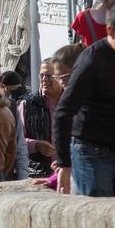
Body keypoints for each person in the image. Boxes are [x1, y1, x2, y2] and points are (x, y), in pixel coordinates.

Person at [53, 2, 115, 197]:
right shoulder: (92, 59)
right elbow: (64, 111)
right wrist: (64, 164)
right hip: (91, 151)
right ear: (111, 30)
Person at [23, 46, 83, 179]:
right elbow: (17, 141)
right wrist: (36, 145)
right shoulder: (28, 104)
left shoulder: (73, 103)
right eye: (41, 75)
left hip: (71, 172)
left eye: (49, 76)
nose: (44, 80)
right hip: (39, 174)